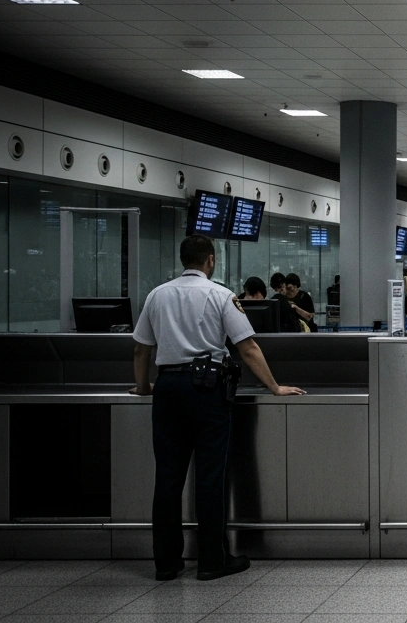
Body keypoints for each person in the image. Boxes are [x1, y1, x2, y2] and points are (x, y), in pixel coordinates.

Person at [131, 235, 304, 582]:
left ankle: (166, 562)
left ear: (183, 260)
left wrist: (144, 386)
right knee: (210, 477)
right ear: (210, 260)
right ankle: (212, 560)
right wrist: (274, 386)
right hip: (207, 391)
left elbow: (141, 350)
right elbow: (247, 347)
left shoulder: (157, 295)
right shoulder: (220, 295)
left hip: (167, 389)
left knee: (167, 477)